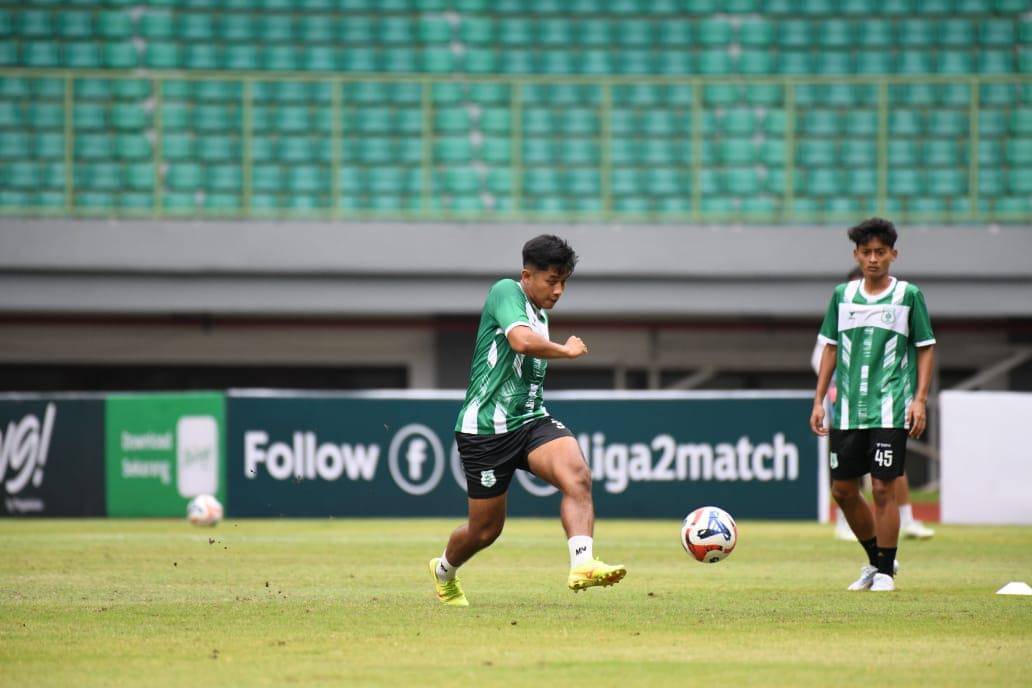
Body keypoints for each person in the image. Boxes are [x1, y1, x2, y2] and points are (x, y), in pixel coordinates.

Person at [428, 234, 626, 606]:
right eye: (552, 281)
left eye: (564, 281)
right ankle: (443, 571)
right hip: (485, 430)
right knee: (485, 530)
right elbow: (520, 341)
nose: (559, 290)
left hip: (531, 420)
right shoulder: (505, 291)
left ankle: (582, 563)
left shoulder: (541, 313)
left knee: (578, 475)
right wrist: (566, 351)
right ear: (527, 275)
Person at [810, 218, 936, 592]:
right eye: (866, 252)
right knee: (843, 492)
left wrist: (920, 400)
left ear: (893, 255)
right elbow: (830, 348)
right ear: (856, 255)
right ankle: (877, 561)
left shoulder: (908, 296)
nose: (873, 259)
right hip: (848, 408)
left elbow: (925, 348)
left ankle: (885, 573)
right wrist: (819, 401)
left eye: (881, 252)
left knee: (883, 487)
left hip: (890, 406)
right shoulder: (842, 296)